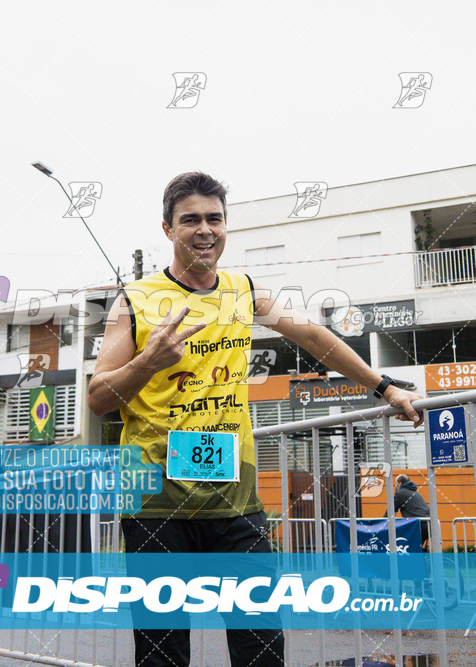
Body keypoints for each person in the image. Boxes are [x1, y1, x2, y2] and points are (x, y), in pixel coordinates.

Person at [88, 171, 423, 667]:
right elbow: (98, 398)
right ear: (167, 229)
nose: (205, 229)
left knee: (262, 643)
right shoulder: (134, 300)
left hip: (235, 502)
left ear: (225, 226)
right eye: (190, 220)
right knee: (162, 651)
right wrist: (148, 362)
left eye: (214, 219)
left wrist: (384, 386)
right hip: (157, 504)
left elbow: (315, 338)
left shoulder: (243, 290)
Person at [388, 474, 430, 547]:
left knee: (405, 546)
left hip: (418, 526)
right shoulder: (416, 493)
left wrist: (382, 523)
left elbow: (391, 512)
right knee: (415, 549)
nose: (395, 486)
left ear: (400, 484)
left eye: (396, 483)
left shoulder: (400, 493)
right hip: (428, 524)